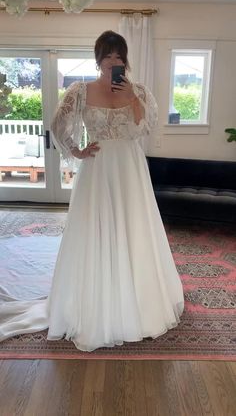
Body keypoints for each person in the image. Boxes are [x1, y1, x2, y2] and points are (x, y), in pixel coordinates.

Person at [0, 31, 184, 352]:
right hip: (97, 170)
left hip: (130, 168)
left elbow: (144, 127)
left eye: (119, 56)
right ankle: (95, 304)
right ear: (98, 58)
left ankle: (138, 301)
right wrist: (77, 150)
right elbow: (58, 125)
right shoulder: (80, 91)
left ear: (124, 60)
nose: (114, 61)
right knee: (96, 232)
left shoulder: (138, 91)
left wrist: (132, 98)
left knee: (132, 230)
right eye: (108, 56)